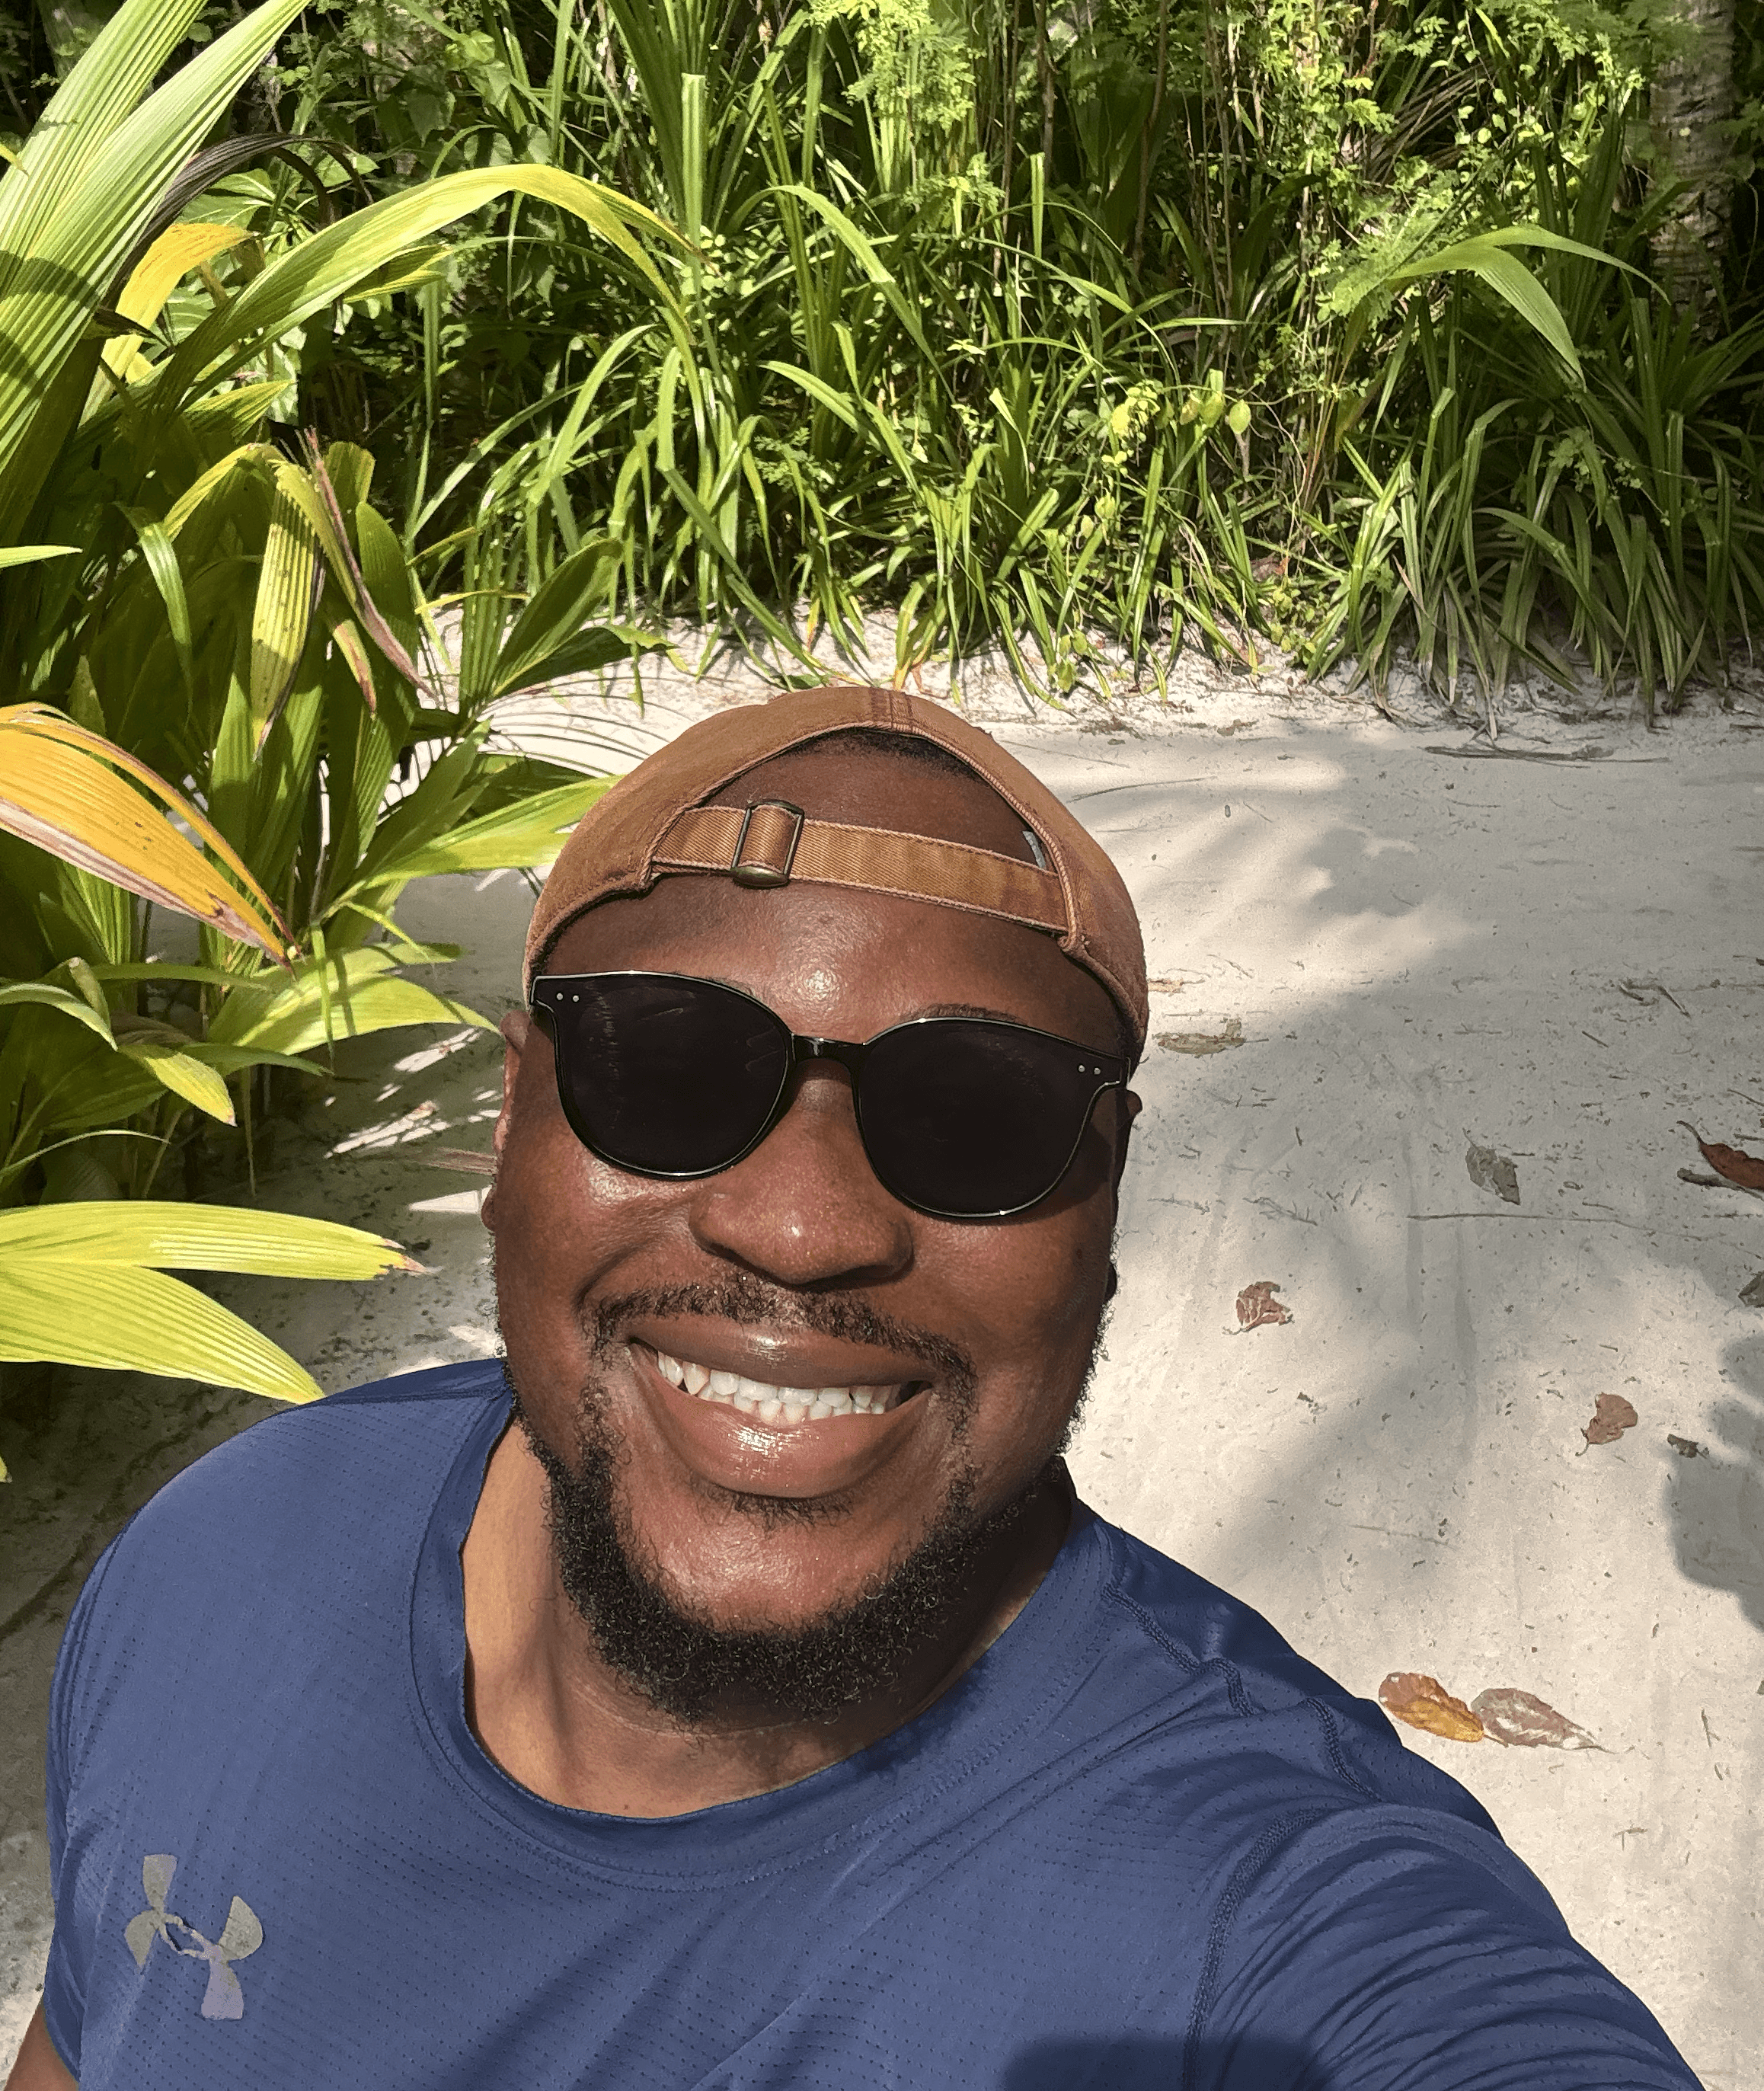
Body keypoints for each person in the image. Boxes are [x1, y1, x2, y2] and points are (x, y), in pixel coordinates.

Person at [8, 686, 1701, 2089]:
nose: (804, 1225)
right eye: (666, 1063)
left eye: (977, 1115)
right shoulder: (221, 1560)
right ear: (517, 1121)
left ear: (1104, 1207)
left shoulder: (1261, 1912)